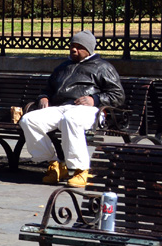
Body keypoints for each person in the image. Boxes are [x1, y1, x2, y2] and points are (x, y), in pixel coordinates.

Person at [20, 31, 124, 188]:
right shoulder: (63, 67)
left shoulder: (103, 67)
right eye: (72, 46)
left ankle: (80, 169)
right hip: (61, 108)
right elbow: (48, 89)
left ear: (89, 49)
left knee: (71, 119)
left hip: (89, 110)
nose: (74, 50)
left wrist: (94, 99)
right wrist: (43, 97)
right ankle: (54, 163)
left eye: (79, 47)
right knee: (29, 120)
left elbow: (118, 95)